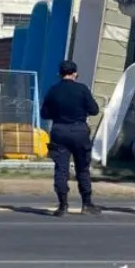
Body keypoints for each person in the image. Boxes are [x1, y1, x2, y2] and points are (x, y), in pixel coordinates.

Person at [40, 60, 101, 217]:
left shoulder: (53, 91)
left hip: (59, 129)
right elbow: (94, 110)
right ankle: (86, 203)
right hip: (79, 129)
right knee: (82, 168)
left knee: (61, 169)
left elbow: (44, 114)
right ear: (75, 73)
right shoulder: (82, 89)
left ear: (60, 74)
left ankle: (62, 205)